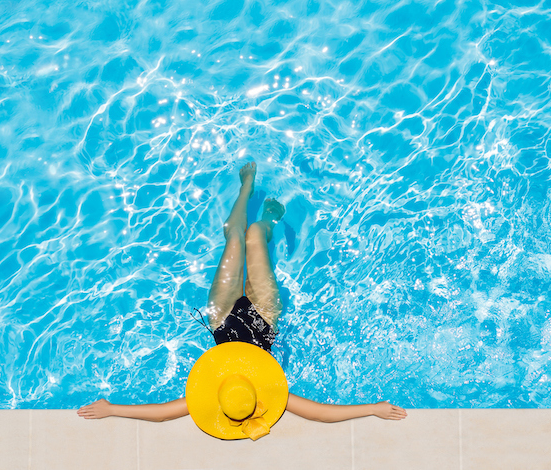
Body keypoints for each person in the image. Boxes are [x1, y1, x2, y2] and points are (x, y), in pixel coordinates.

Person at [78, 162, 407, 439]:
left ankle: (245, 188)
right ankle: (269, 222)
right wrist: (373, 409)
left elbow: (164, 414)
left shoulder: (220, 389)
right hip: (264, 319)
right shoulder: (262, 393)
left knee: (235, 237)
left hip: (221, 319)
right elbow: (319, 414)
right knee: (253, 236)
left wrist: (111, 409)